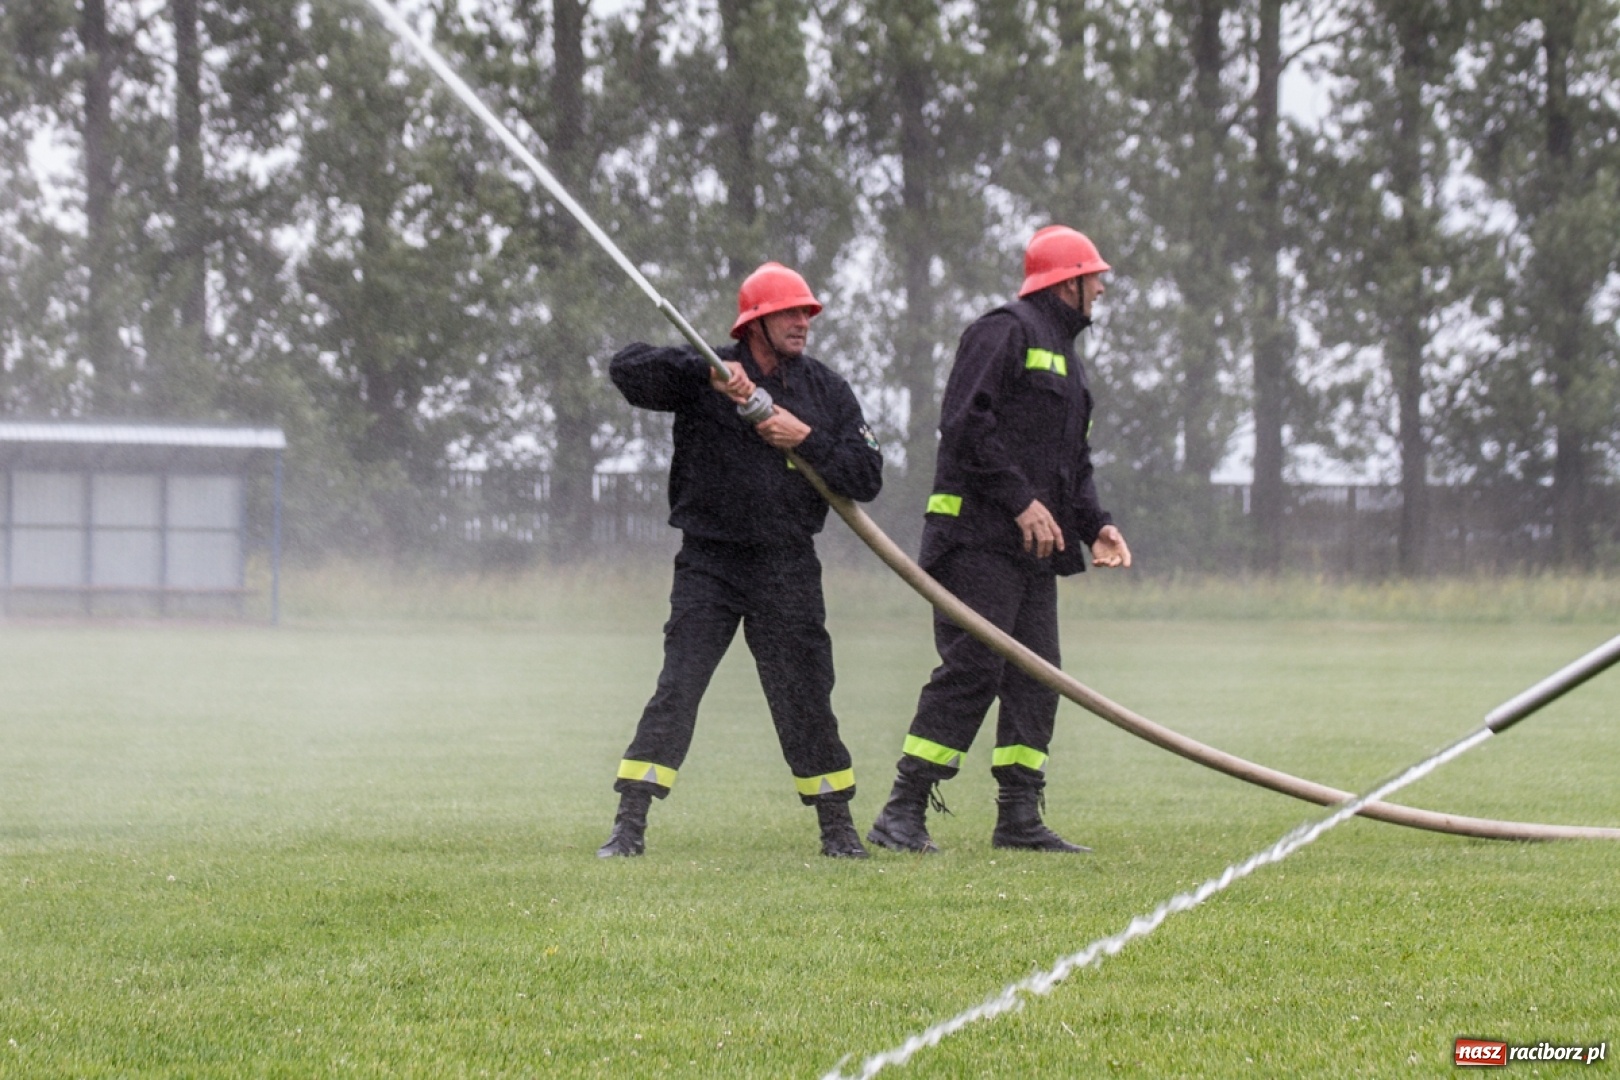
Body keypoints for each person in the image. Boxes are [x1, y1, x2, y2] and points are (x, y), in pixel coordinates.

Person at [597, 262, 884, 859]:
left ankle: (838, 829)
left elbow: (867, 475)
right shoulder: (708, 373)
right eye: (790, 313)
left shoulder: (826, 392)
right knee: (679, 685)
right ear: (755, 322)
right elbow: (625, 370)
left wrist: (804, 437)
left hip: (787, 565)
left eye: (808, 313)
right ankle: (629, 825)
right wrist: (704, 370)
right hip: (711, 562)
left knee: (805, 692)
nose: (804, 322)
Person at [867, 225, 1131, 855]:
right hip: (975, 538)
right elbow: (964, 425)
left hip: (1032, 550)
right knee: (975, 666)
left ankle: (1018, 814)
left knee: (1039, 677)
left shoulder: (1070, 364)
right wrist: (1020, 502)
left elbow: (1073, 464)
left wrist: (1097, 524)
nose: (1100, 288)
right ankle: (903, 808)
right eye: (1094, 277)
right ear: (1068, 281)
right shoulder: (1002, 330)